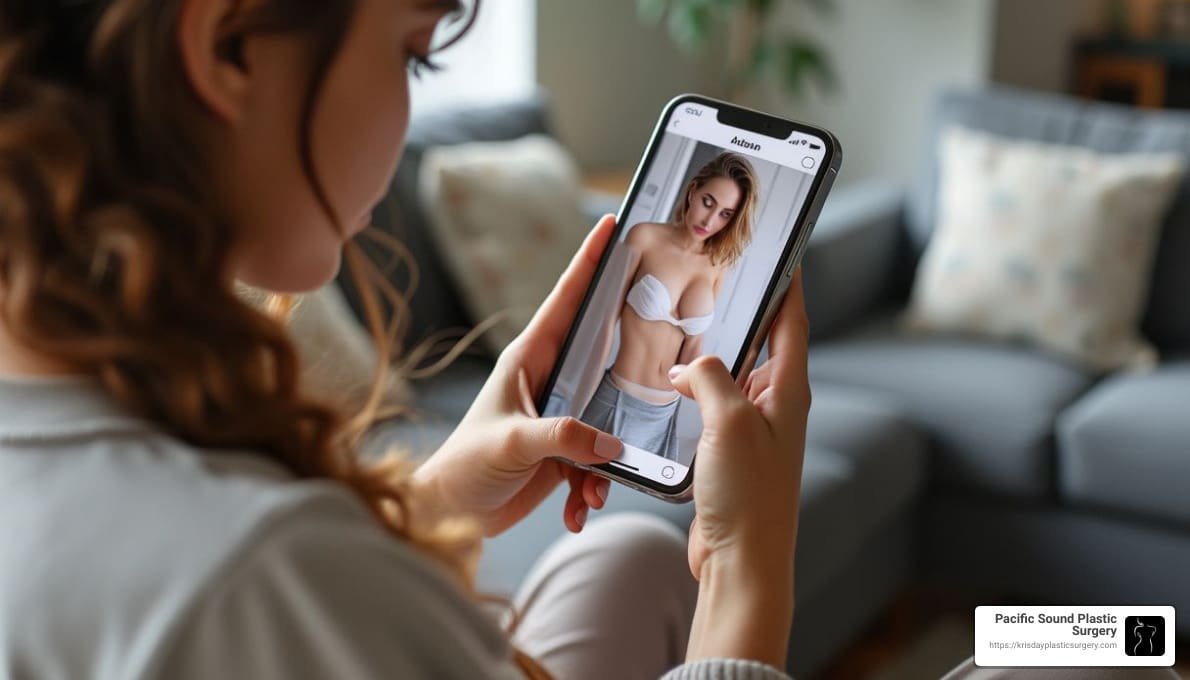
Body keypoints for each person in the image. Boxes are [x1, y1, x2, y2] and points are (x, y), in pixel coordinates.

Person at [0, 2, 1179, 679]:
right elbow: (287, 585)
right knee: (1080, 655)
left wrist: (433, 500)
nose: (411, 100)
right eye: (412, 49)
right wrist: (746, 565)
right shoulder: (266, 578)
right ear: (227, 47)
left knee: (617, 558)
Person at [580, 152, 758, 462]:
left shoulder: (717, 265)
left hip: (664, 412)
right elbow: (605, 319)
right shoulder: (644, 237)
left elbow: (693, 345)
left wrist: (721, 405)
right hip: (617, 397)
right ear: (693, 190)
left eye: (725, 214)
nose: (709, 220)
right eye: (708, 202)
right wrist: (580, 389)